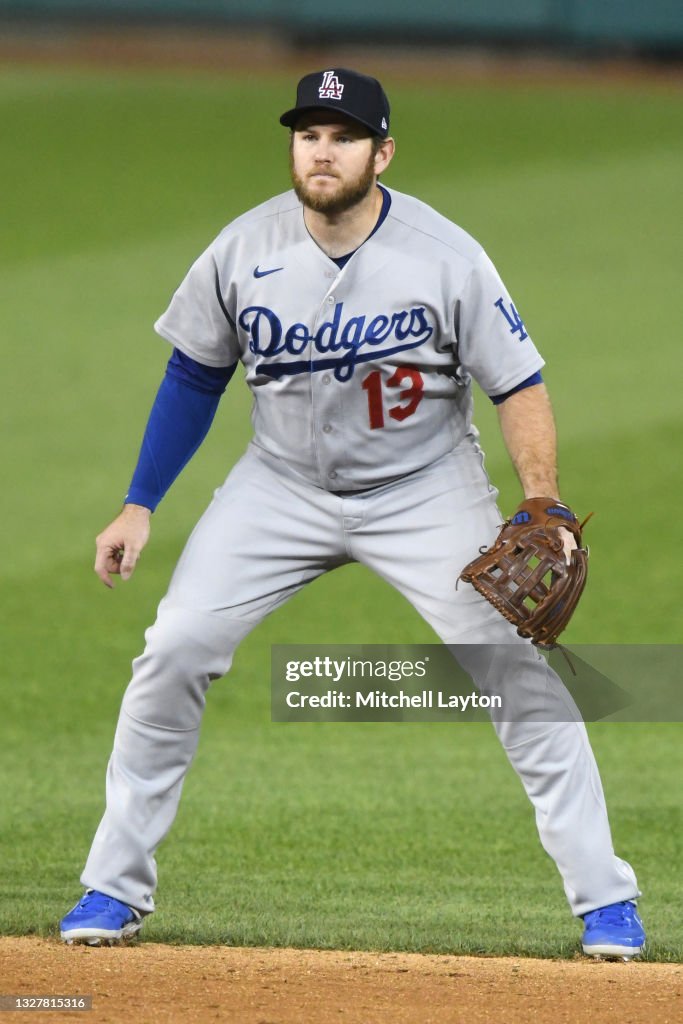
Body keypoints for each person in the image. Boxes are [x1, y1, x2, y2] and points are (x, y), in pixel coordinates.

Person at [60, 68, 644, 959]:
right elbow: (193, 375)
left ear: (382, 151)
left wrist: (541, 500)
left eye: (341, 135)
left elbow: (517, 383)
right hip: (279, 486)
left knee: (515, 668)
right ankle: (111, 887)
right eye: (307, 134)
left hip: (423, 489)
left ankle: (605, 902)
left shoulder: (446, 254)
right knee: (173, 647)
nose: (321, 150)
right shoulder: (241, 247)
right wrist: (139, 504)